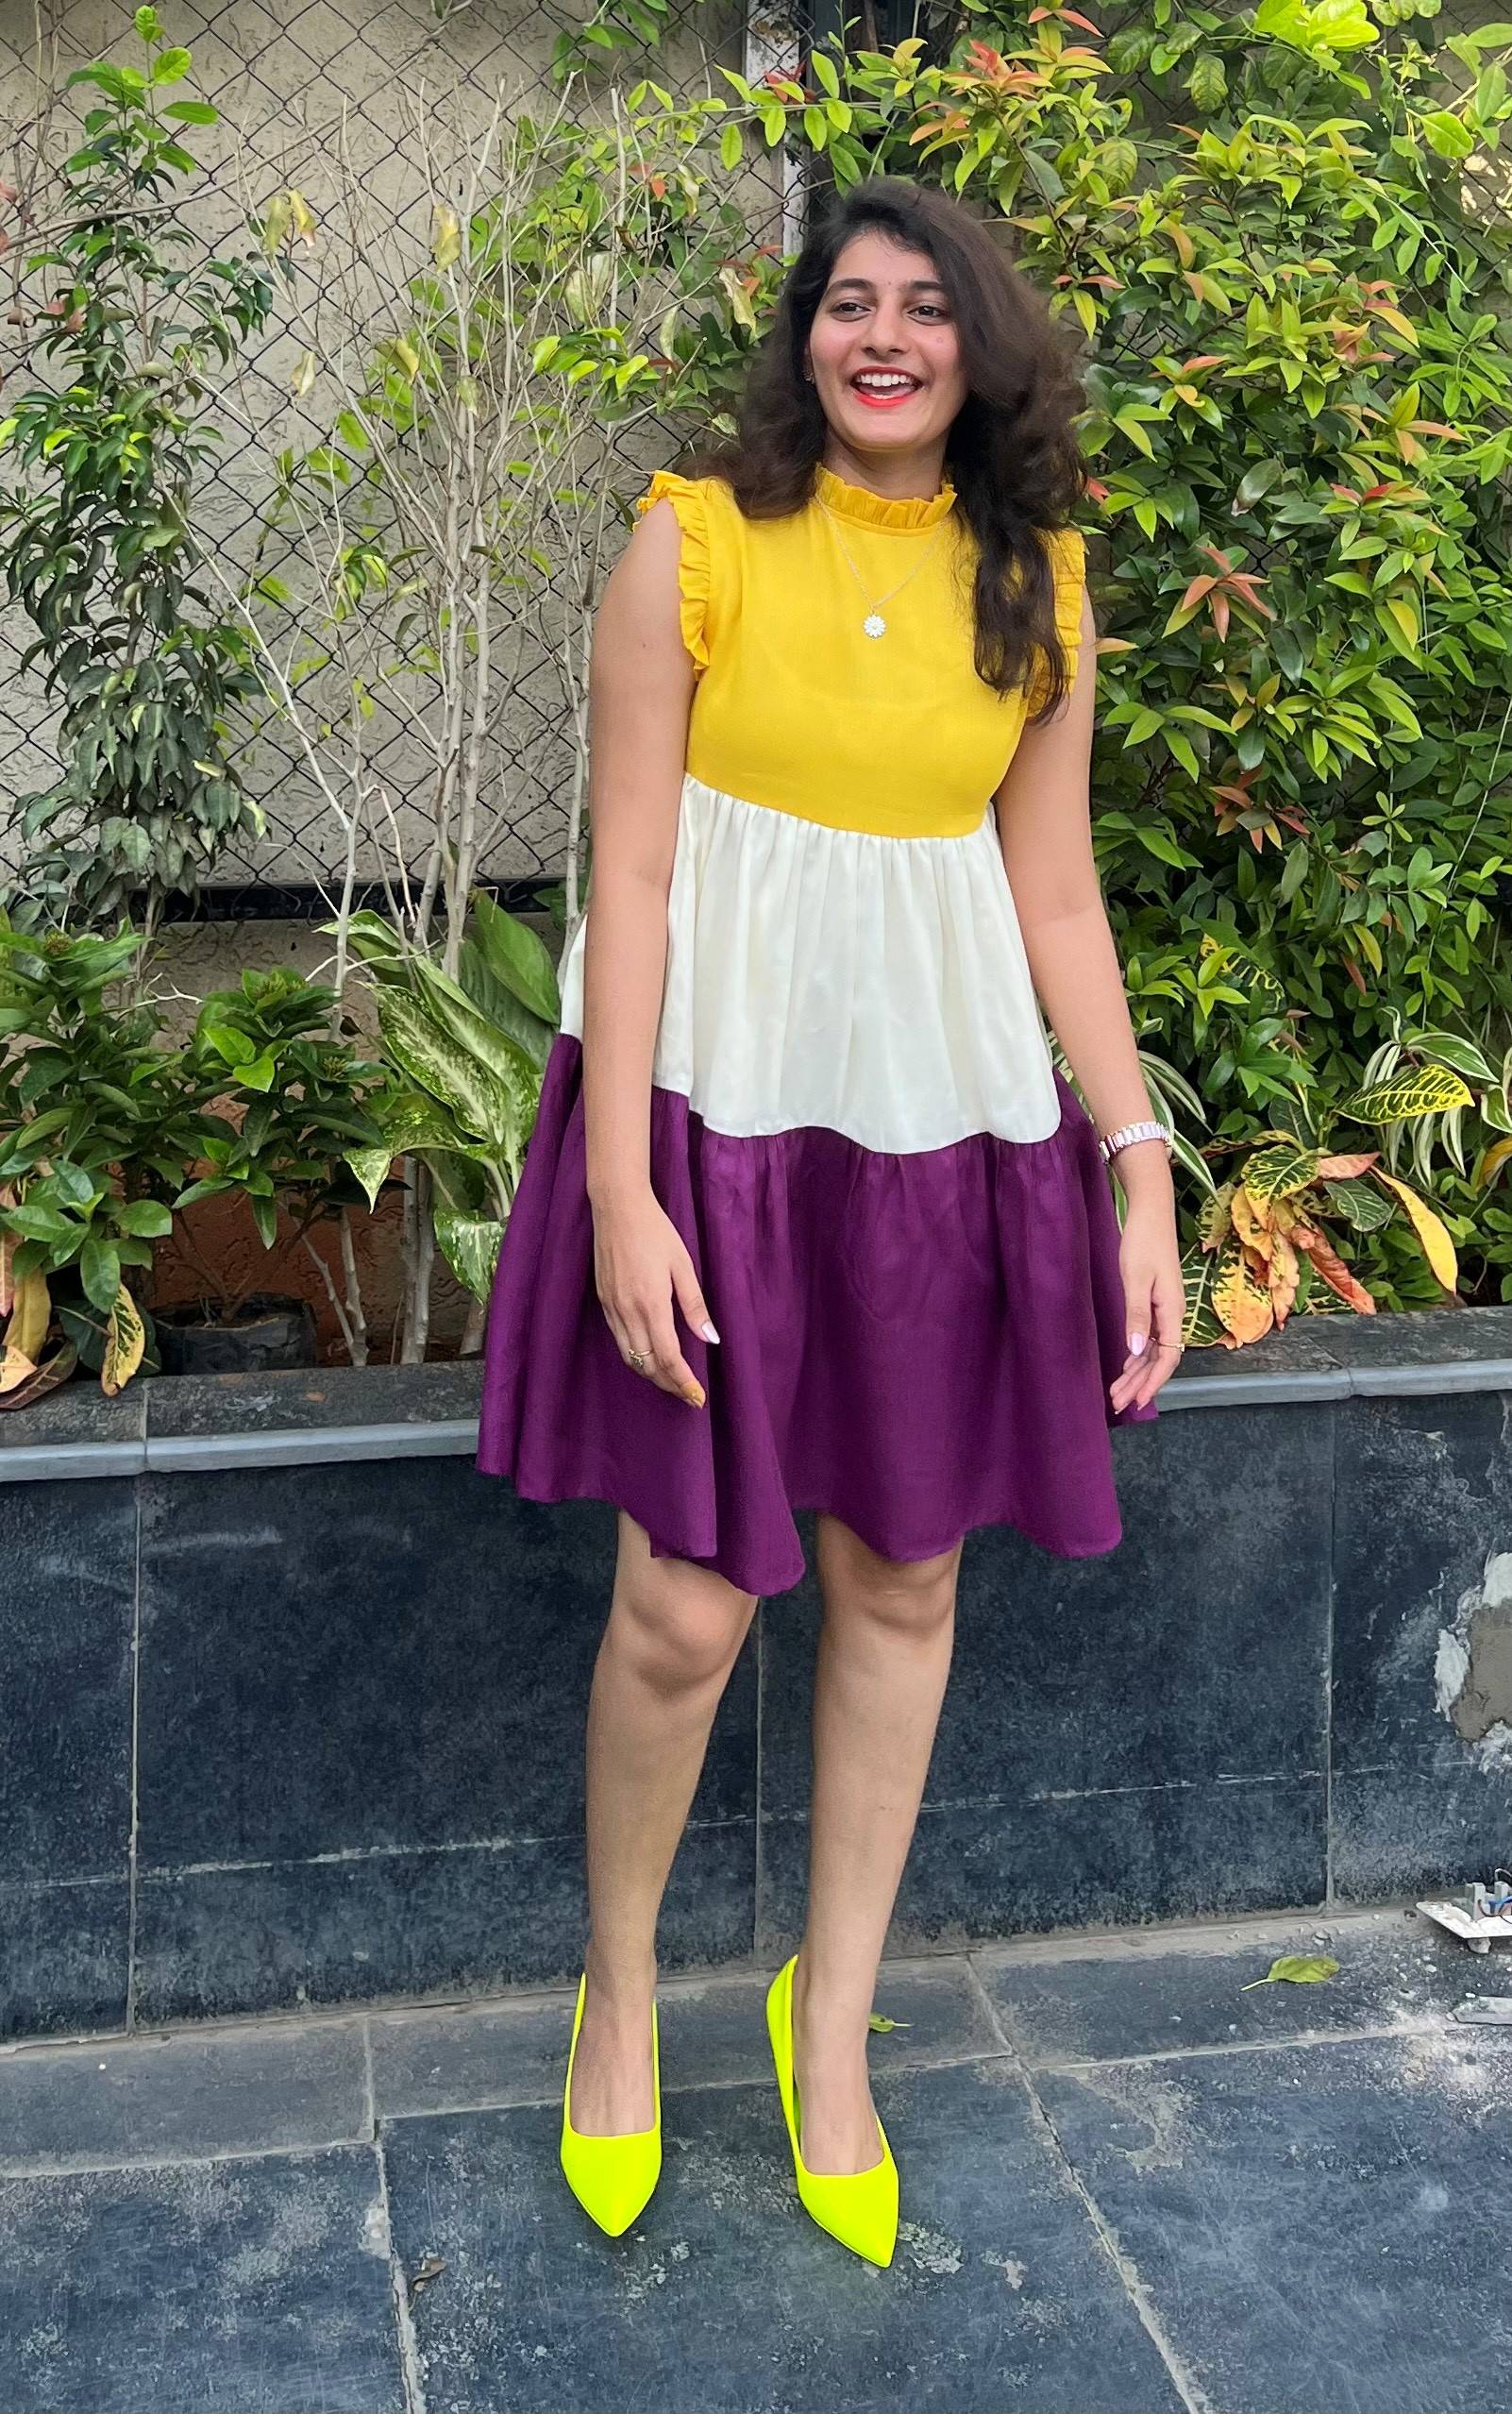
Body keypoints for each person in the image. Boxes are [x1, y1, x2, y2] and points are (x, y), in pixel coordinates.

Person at [478, 174, 1184, 2268]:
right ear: (805, 339)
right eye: (848, 303)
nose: (884, 337)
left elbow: (1055, 894)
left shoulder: (1038, 582)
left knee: (903, 1577)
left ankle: (832, 2016)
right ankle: (622, 1995)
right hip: (709, 1128)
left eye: (925, 306)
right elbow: (632, 875)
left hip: (942, 1137)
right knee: (685, 1609)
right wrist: (621, 1188)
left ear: (982, 346)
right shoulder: (690, 544)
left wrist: (1136, 1160)